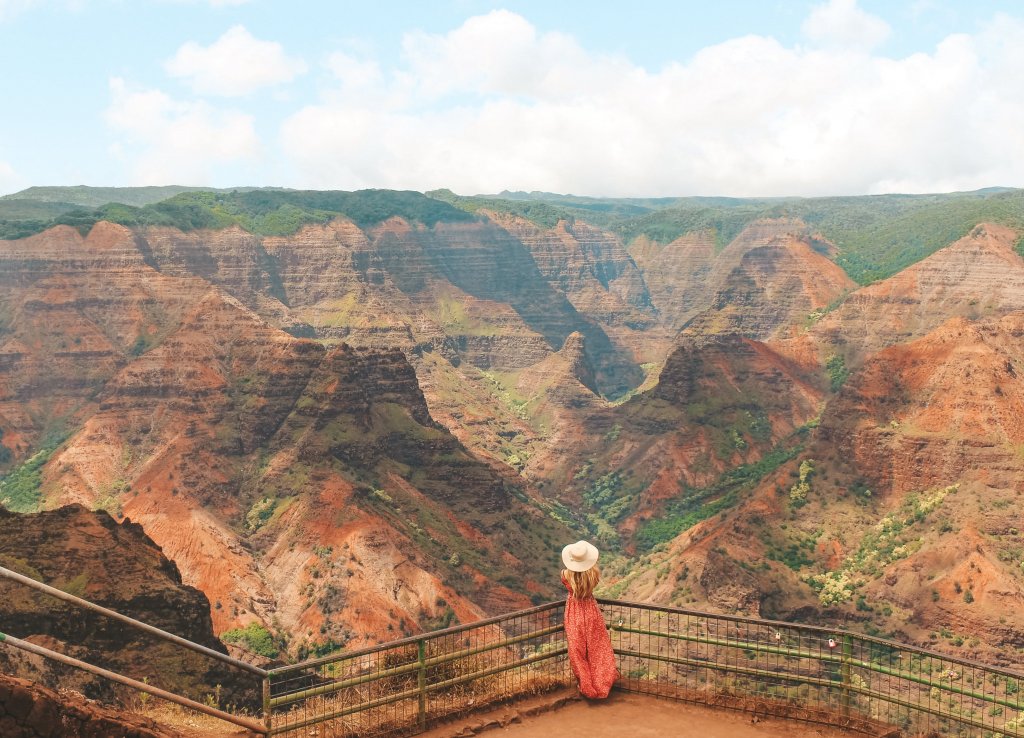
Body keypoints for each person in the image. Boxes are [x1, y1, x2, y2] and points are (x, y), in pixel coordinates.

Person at [561, 540, 618, 699]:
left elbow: (565, 577)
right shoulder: (594, 574)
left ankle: (587, 687)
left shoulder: (565, 575)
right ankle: (602, 684)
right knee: (597, 648)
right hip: (591, 610)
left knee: (577, 651)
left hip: (574, 612)